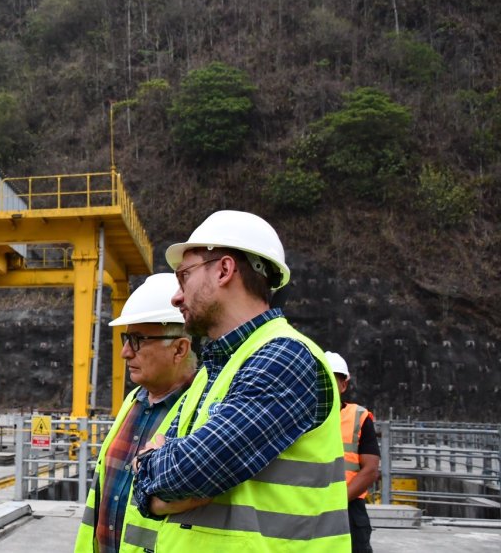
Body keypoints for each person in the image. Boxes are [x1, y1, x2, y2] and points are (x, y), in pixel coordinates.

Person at [131, 210, 350, 551]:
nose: (176, 297)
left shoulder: (285, 358)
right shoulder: (213, 371)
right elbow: (148, 471)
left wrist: (158, 475)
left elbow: (192, 471)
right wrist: (153, 482)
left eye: (184, 276)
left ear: (224, 270)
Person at [74, 274, 195, 553]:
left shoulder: (200, 411)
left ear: (179, 349)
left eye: (138, 340)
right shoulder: (133, 401)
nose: (125, 353)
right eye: (125, 339)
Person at [325, 351, 380, 553]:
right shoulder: (299, 417)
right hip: (308, 505)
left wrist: (337, 501)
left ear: (343, 385)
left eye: (332, 379)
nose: (326, 386)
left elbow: (371, 469)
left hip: (349, 509)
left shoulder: (359, 417)